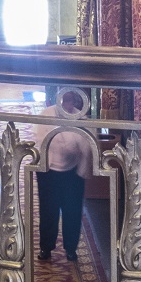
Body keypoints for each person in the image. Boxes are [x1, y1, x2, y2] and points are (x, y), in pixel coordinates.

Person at [36, 98, 97, 263]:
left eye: (71, 99)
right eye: (65, 99)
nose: (68, 104)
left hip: (72, 172)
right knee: (48, 210)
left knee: (73, 211)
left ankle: (71, 249)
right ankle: (46, 247)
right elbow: (42, 141)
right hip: (48, 171)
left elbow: (87, 146)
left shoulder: (81, 119)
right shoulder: (46, 115)